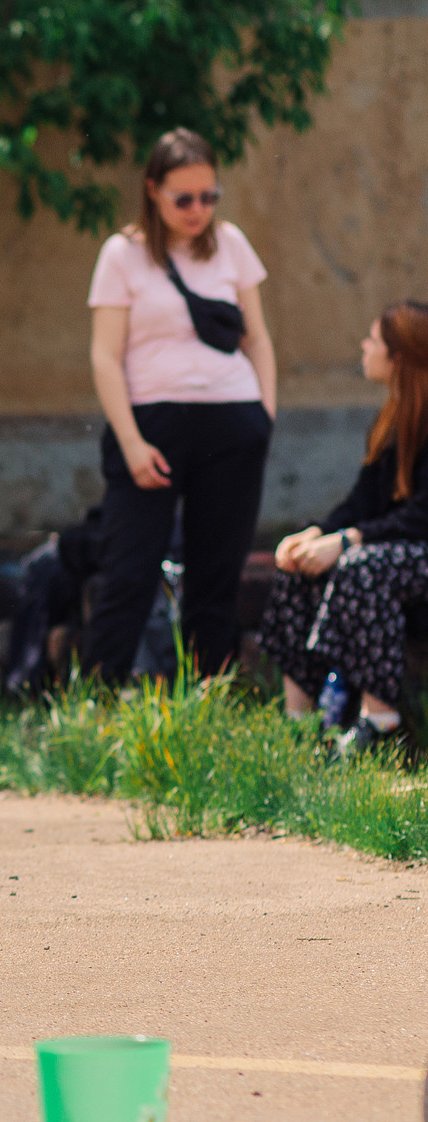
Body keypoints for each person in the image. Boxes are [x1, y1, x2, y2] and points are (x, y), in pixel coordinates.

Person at [84, 128, 277, 680]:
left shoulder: (232, 245)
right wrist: (130, 441)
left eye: (209, 197)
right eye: (184, 198)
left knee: (216, 578)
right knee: (129, 572)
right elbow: (104, 356)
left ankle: (206, 708)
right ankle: (96, 706)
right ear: (152, 191)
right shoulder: (123, 255)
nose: (198, 211)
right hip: (151, 425)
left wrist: (263, 415)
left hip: (232, 421)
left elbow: (257, 338)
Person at [259, 301, 428, 755]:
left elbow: (421, 516)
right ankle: (299, 726)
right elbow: (360, 504)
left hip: (414, 555)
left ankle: (381, 723)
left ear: (398, 356)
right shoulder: (390, 421)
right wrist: (314, 536)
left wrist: (348, 541)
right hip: (395, 553)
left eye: (372, 340)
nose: (363, 347)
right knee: (300, 569)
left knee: (361, 565)